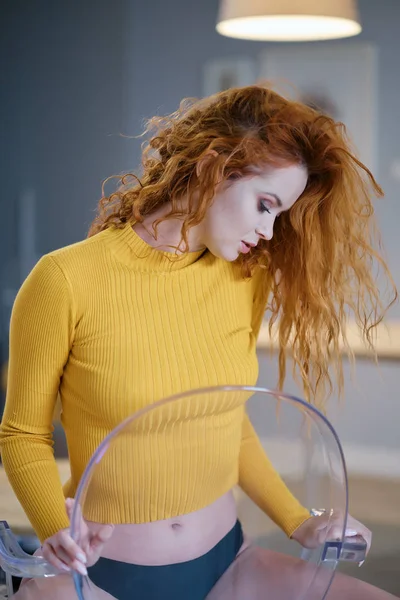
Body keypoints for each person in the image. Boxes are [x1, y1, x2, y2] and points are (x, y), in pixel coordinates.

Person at [0, 85, 396, 600]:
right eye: (264, 205)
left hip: (229, 560)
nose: (268, 231)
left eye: (278, 215)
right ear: (214, 168)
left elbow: (229, 421)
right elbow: (22, 433)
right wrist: (56, 531)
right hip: (98, 573)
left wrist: (299, 521)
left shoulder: (244, 278)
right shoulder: (64, 279)